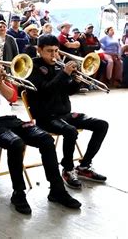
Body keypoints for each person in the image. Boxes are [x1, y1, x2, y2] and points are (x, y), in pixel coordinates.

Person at [0, 44, 81, 214]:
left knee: (46, 139)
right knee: (16, 143)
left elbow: (13, 97)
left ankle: (57, 190)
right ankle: (18, 193)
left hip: (11, 120)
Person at [26, 34, 109, 189]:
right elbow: (46, 90)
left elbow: (68, 91)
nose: (54, 55)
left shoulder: (58, 65)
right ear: (39, 50)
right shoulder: (31, 67)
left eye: (56, 51)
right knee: (70, 131)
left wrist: (76, 81)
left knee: (102, 125)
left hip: (64, 114)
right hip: (46, 117)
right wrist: (64, 74)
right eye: (49, 51)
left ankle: (84, 166)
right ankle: (68, 169)